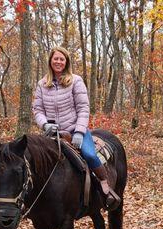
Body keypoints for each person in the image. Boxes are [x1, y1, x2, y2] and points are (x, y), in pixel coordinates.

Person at [32, 46, 120, 210]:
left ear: (66, 62)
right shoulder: (42, 84)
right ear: (50, 61)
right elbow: (37, 109)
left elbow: (83, 108)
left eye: (62, 59)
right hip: (52, 133)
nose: (58, 62)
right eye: (55, 58)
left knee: (90, 155)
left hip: (75, 131)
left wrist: (79, 132)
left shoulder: (76, 81)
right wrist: (44, 124)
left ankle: (105, 188)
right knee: (35, 160)